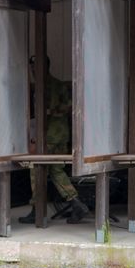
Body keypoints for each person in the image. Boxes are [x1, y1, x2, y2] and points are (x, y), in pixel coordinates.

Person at [20, 56, 90, 225]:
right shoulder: (60, 85)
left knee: (36, 170)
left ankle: (37, 210)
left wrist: (36, 136)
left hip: (48, 136)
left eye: (35, 69)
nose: (33, 72)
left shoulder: (43, 88)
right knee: (57, 170)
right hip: (62, 134)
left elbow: (44, 113)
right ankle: (76, 203)